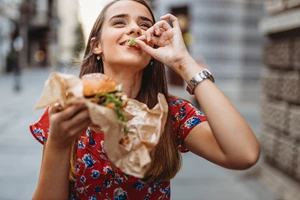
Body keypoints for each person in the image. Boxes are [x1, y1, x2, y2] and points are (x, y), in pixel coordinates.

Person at [29, 0, 260, 199]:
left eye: (144, 25)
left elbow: (244, 154)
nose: (134, 29)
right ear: (96, 45)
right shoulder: (67, 109)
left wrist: (184, 62)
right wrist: (58, 144)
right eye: (120, 22)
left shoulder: (172, 113)